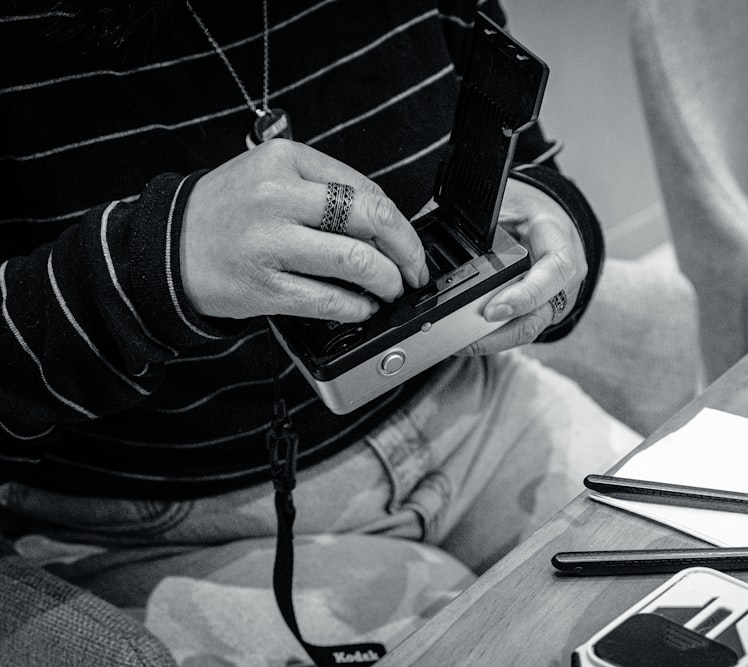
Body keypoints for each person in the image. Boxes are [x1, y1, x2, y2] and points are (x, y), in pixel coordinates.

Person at [0, 0, 641, 664]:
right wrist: (156, 264)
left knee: (709, 576)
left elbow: (526, 162)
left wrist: (556, 232)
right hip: (176, 523)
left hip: (472, 406)